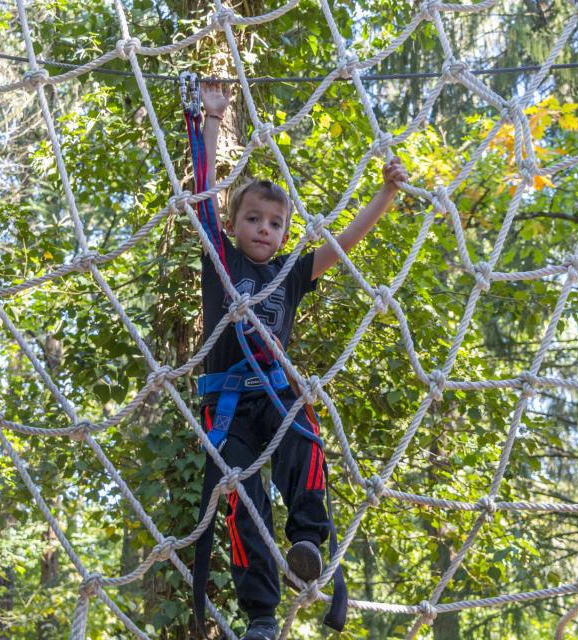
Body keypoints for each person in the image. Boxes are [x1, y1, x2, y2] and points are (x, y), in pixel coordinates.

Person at [194, 82, 408, 640]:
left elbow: (342, 245)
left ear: (285, 233)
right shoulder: (220, 259)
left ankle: (308, 539)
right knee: (241, 496)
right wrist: (212, 122)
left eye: (275, 224)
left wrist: (383, 198)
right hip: (227, 407)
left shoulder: (290, 276)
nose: (264, 230)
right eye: (254, 220)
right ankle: (261, 616)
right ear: (235, 225)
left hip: (276, 391)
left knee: (304, 437)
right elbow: (203, 196)